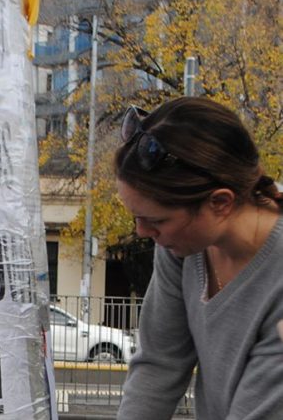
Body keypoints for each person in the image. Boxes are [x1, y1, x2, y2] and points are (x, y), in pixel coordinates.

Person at [113, 97, 283, 419]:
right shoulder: (184, 246)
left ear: (220, 202)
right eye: (135, 217)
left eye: (157, 220)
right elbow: (158, 364)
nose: (142, 231)